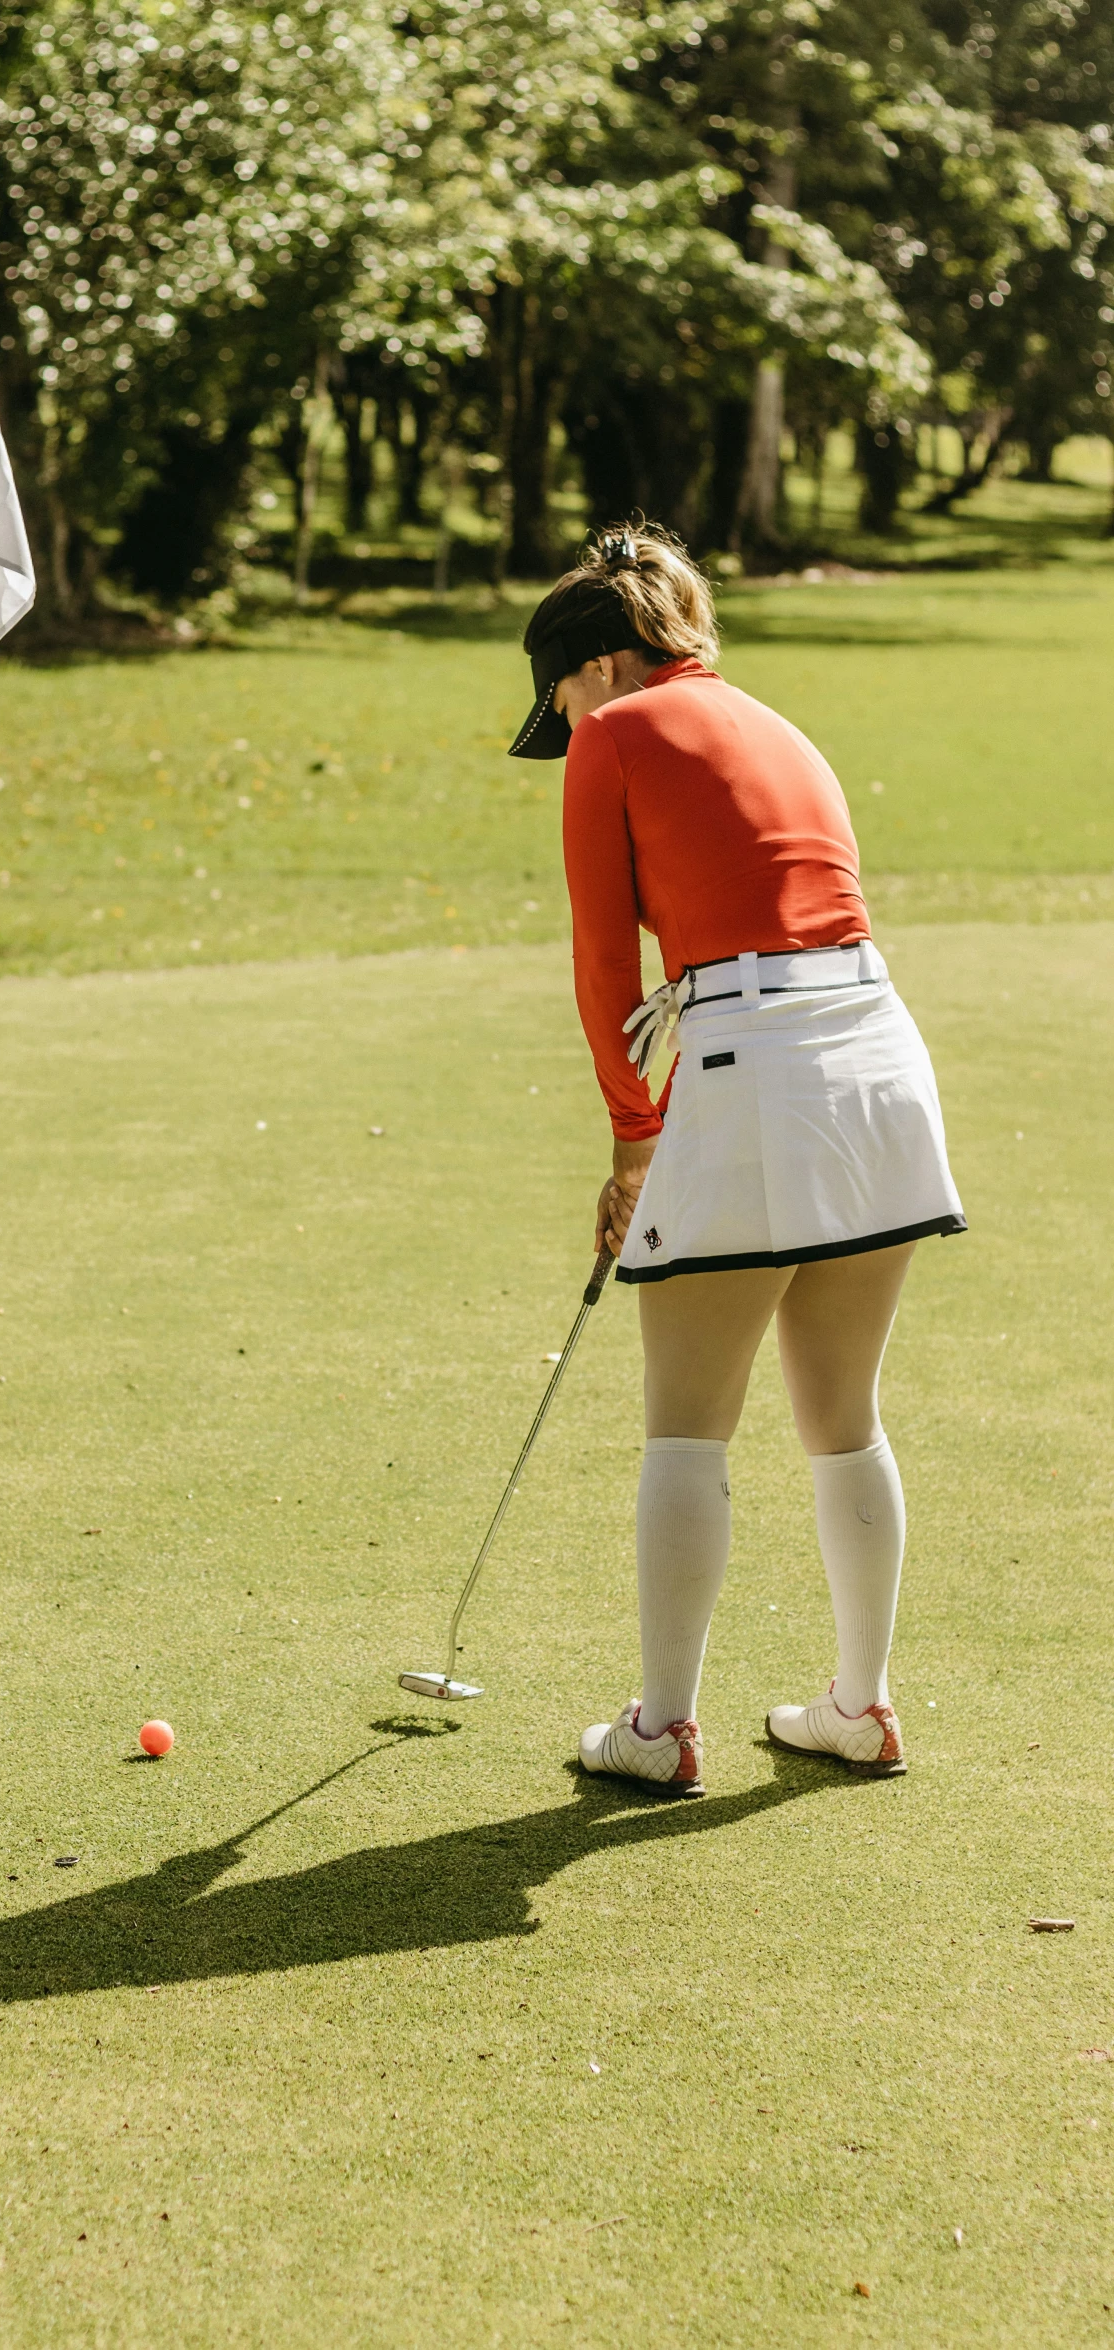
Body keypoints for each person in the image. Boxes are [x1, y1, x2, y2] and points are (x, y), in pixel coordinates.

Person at [508, 524, 965, 1796]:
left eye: (558, 700)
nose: (563, 727)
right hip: (877, 1053)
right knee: (840, 1416)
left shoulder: (610, 733)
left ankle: (659, 1732)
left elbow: (607, 963)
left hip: (750, 1069)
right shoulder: (773, 720)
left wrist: (630, 1146)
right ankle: (860, 1706)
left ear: (596, 666)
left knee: (685, 1425)